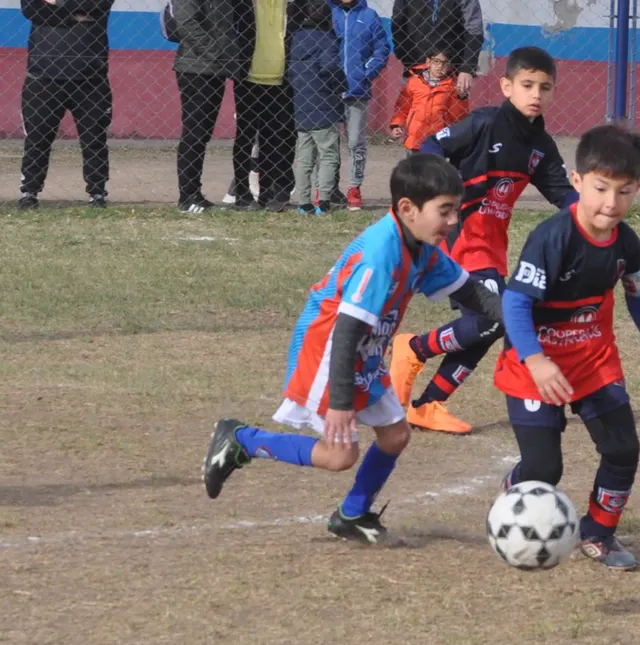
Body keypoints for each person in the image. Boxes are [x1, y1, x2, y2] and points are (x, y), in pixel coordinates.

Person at [201, 154, 504, 543]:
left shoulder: (423, 248)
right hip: (328, 347)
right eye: (444, 211)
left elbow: (474, 294)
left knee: (395, 436)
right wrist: (342, 403)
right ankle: (240, 440)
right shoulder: (383, 254)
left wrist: (527, 329)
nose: (453, 222)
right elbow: (345, 330)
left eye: (454, 211)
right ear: (408, 209)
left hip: (365, 349)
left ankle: (352, 515)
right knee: (339, 456)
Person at [494, 124, 640, 571]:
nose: (611, 203)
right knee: (544, 470)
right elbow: (516, 304)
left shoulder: (626, 243)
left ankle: (598, 533)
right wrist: (536, 362)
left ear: (638, 189)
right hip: (533, 367)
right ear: (577, 182)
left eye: (624, 191)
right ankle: (514, 495)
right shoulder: (552, 238)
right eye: (600, 189)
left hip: (594, 362)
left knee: (622, 449)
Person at [388, 46, 578, 435]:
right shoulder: (484, 123)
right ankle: (415, 349)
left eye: (544, 87)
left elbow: (567, 200)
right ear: (507, 86)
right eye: (527, 85)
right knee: (500, 318)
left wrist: (596, 210)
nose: (535, 95)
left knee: (488, 323)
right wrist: (441, 187)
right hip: (458, 239)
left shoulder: (541, 148)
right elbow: (431, 144)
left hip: (490, 249)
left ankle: (427, 405)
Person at [17, 0, 114, 210]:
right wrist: (75, 14)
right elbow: (31, 9)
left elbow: (97, 5)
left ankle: (97, 193)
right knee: (37, 139)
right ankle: (29, 192)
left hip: (91, 77)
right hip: (43, 75)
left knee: (94, 139)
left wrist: (56, 4)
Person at [173, 0, 255, 213]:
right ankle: (187, 196)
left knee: (203, 133)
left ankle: (195, 193)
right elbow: (186, 23)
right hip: (196, 69)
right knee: (195, 132)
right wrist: (217, 52)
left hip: (215, 69)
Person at [230, 0, 298, 212]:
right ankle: (241, 191)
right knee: (245, 137)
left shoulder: (292, 3)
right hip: (248, 77)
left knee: (276, 138)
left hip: (281, 79)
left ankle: (270, 192)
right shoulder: (242, 3)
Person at [330, 0, 390, 211]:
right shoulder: (327, 13)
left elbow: (382, 48)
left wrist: (366, 73)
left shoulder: (369, 16)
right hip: (328, 92)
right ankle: (327, 188)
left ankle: (354, 187)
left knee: (355, 142)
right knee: (327, 143)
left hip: (357, 91)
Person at [289, 0, 347, 214]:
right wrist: (342, 83)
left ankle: (304, 203)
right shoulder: (326, 39)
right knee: (328, 154)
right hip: (324, 104)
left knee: (305, 157)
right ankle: (323, 201)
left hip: (301, 104)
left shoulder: (295, 39)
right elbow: (330, 67)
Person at [391, 0, 483, 98]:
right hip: (415, 66)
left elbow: (474, 30)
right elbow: (398, 23)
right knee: (411, 109)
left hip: (450, 70)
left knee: (452, 110)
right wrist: (405, 57)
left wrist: (467, 68)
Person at [390, 44, 470, 156]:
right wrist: (397, 125)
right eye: (436, 61)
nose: (440, 66)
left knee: (433, 171)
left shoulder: (452, 86)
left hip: (438, 140)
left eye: (445, 63)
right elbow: (403, 107)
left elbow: (457, 116)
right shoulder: (414, 82)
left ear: (450, 66)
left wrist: (461, 97)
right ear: (428, 61)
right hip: (415, 139)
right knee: (413, 171)